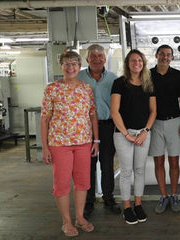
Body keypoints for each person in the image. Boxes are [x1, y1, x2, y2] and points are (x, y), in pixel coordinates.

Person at [40, 51, 98, 237]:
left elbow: (92, 115)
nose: (70, 67)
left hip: (83, 142)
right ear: (61, 66)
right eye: (66, 64)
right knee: (62, 183)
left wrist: (95, 140)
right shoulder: (52, 89)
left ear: (80, 65)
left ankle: (80, 218)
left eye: (74, 63)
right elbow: (44, 119)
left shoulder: (86, 88)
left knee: (82, 183)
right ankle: (66, 221)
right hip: (59, 143)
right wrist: (45, 147)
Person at [111, 49, 157, 225]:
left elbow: (153, 111)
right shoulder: (119, 83)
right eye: (133, 60)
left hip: (143, 134)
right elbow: (114, 112)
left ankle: (138, 205)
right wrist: (126, 134)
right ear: (127, 63)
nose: (136, 63)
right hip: (124, 134)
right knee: (126, 172)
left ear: (143, 63)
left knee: (139, 170)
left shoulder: (148, 83)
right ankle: (127, 207)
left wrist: (145, 130)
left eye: (139, 60)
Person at [77, 44, 120, 219]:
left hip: (107, 126)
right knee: (88, 165)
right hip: (84, 129)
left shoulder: (113, 78)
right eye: (93, 56)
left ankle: (109, 198)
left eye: (100, 56)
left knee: (107, 164)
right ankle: (88, 201)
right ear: (87, 59)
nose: (96, 59)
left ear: (104, 58)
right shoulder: (79, 77)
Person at [148, 45, 180, 214]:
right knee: (158, 162)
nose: (165, 57)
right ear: (156, 55)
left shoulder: (177, 75)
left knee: (174, 161)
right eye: (162, 54)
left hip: (174, 122)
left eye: (168, 55)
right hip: (154, 123)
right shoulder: (147, 75)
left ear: (172, 57)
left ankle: (174, 194)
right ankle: (163, 196)